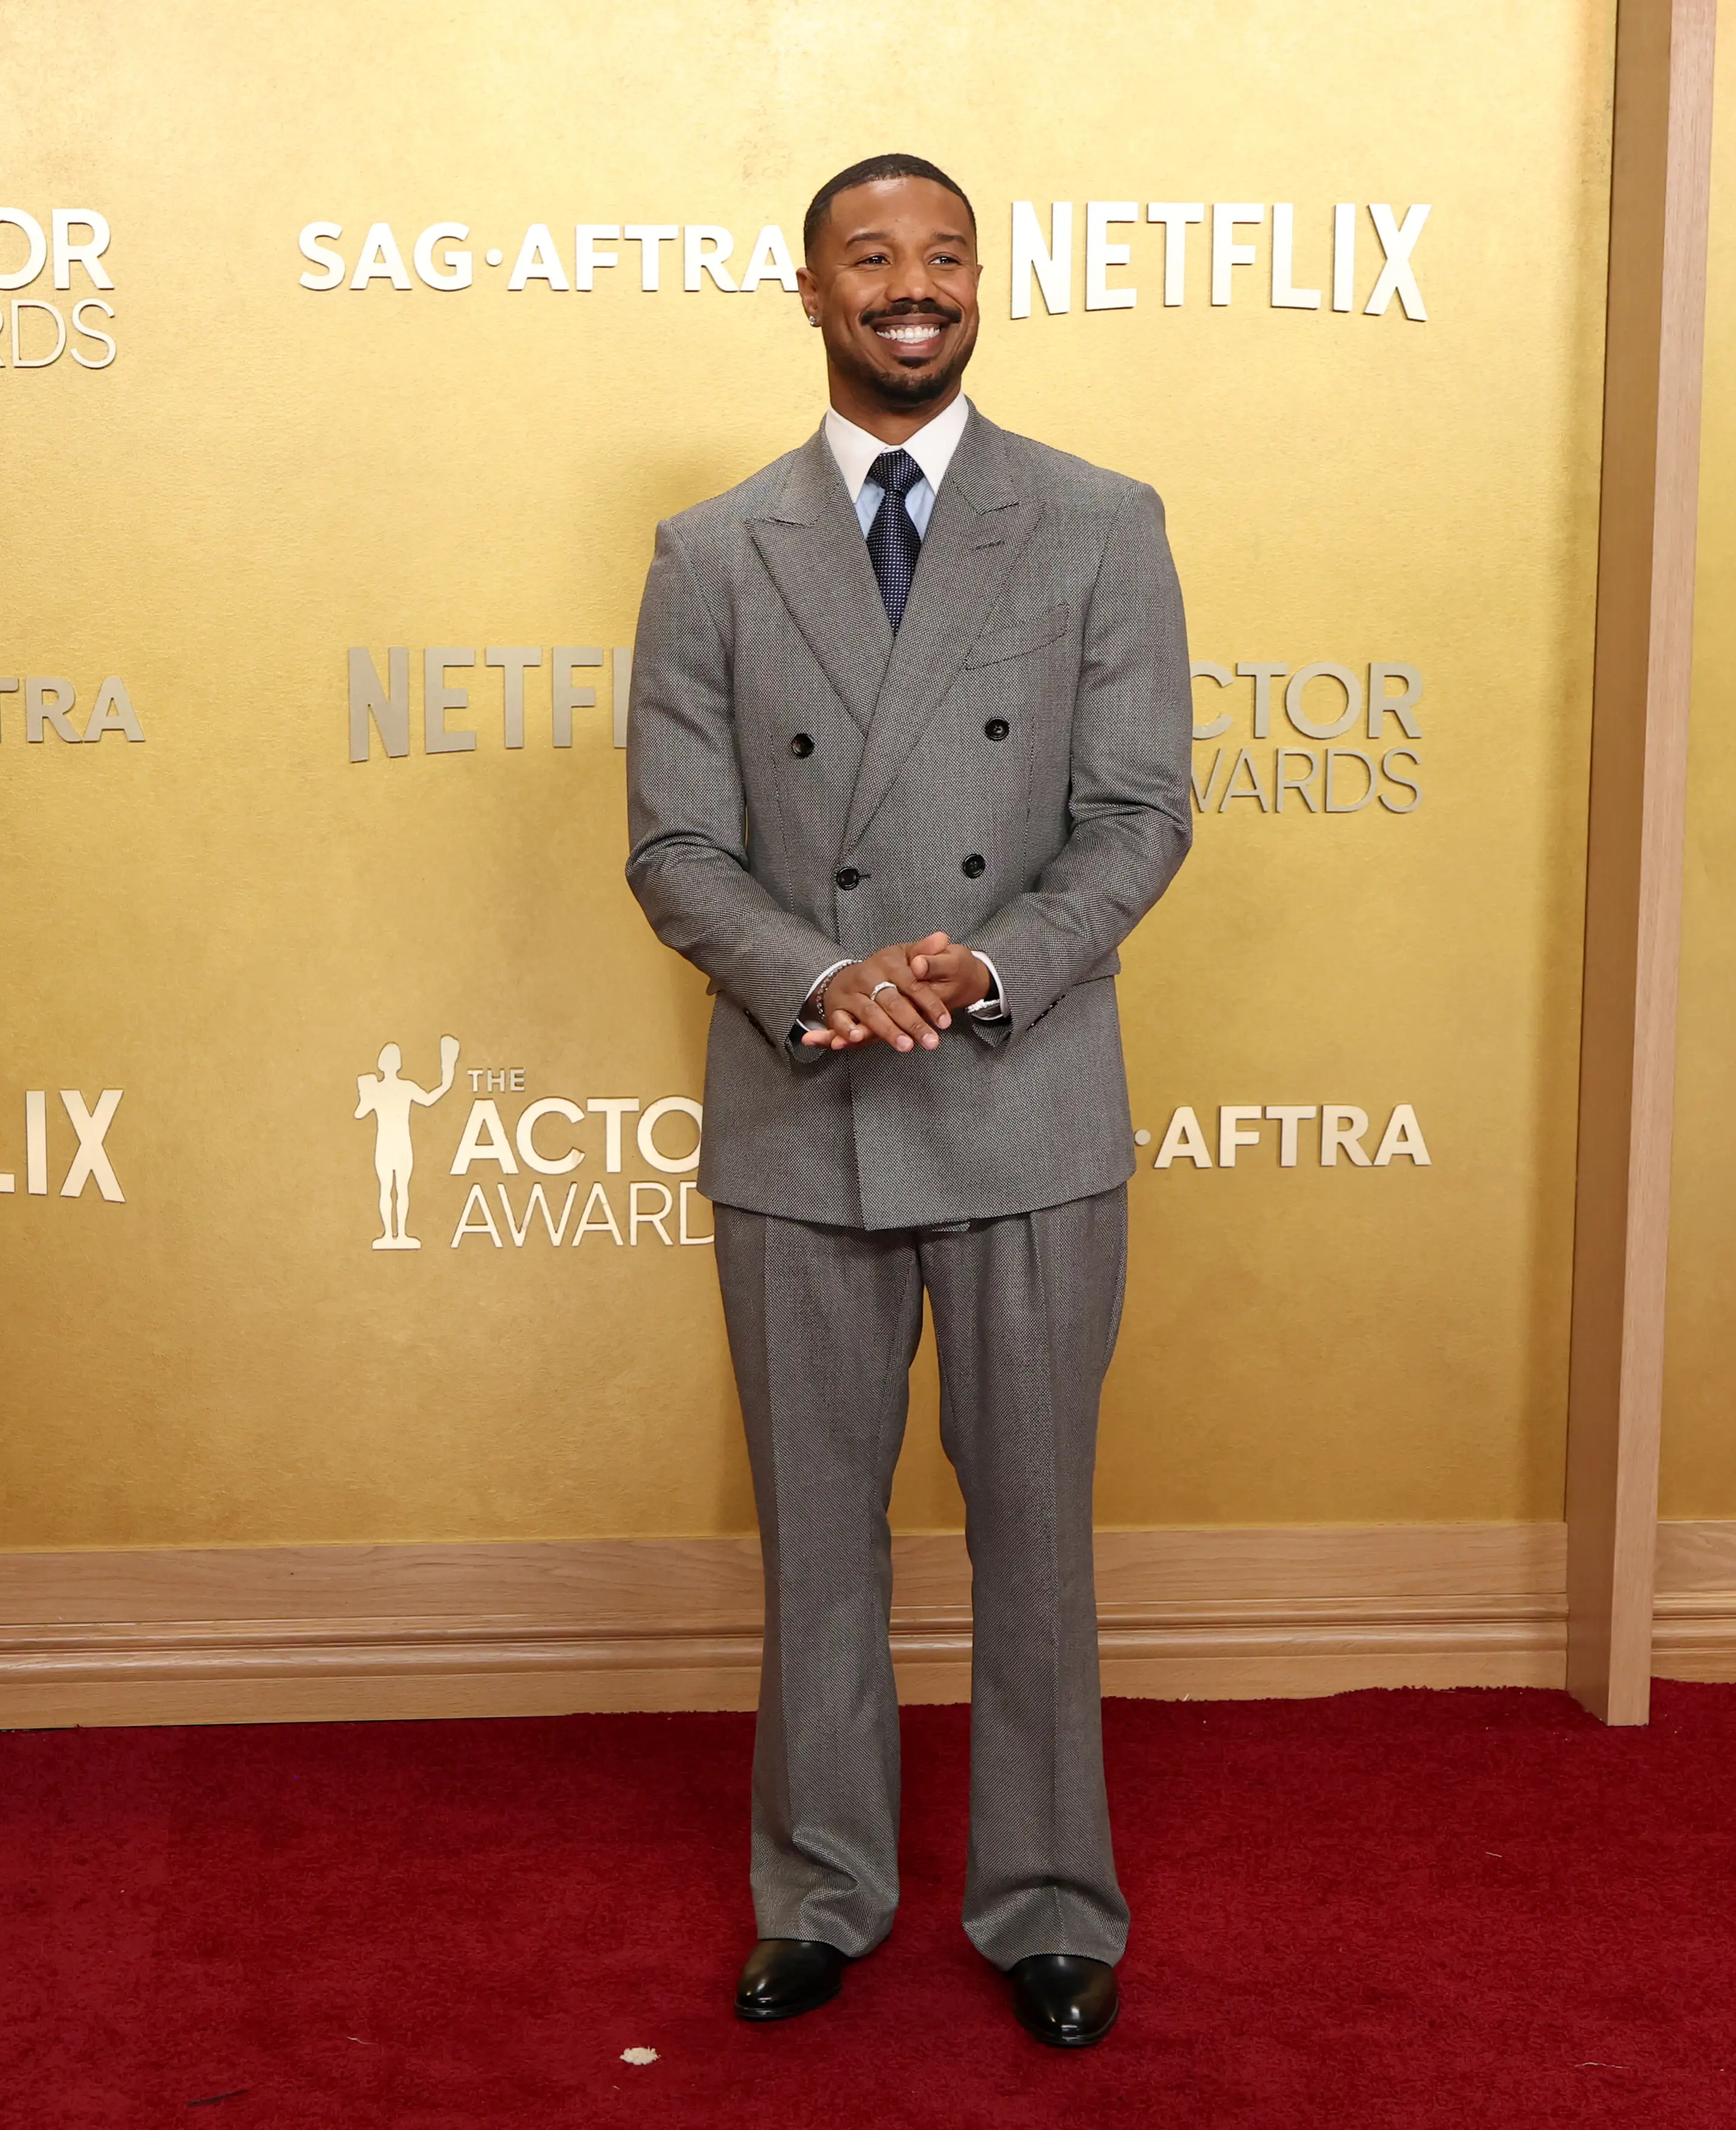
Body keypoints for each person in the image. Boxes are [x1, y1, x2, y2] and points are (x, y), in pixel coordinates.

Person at [624, 152, 1192, 2049]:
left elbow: (1135, 813)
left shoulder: (1102, 522)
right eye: (871, 258)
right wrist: (818, 972)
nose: (912, 284)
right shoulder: (711, 551)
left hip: (1021, 1091)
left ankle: (1046, 1900)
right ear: (807, 294)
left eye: (942, 255)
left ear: (978, 285)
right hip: (802, 1103)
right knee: (816, 1524)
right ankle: (823, 1889)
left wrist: (995, 954)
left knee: (1034, 1526)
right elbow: (676, 846)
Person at [355, 1035, 459, 1250]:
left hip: (390, 1146)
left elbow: (360, 1112)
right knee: (398, 1189)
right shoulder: (400, 1087)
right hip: (398, 1145)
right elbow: (430, 1099)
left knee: (391, 1189)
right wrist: (447, 1079)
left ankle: (395, 1235)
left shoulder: (385, 1088)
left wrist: (365, 1093)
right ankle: (395, 1234)